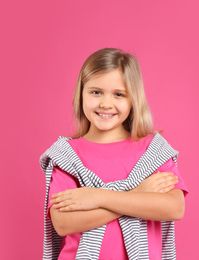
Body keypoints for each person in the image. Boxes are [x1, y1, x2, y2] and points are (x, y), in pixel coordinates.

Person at [40, 48, 188, 260]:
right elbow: (63, 223)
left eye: (118, 94)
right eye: (96, 92)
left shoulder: (152, 150)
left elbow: (174, 208)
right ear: (81, 93)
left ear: (132, 100)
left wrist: (97, 196)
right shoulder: (67, 155)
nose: (105, 104)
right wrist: (137, 194)